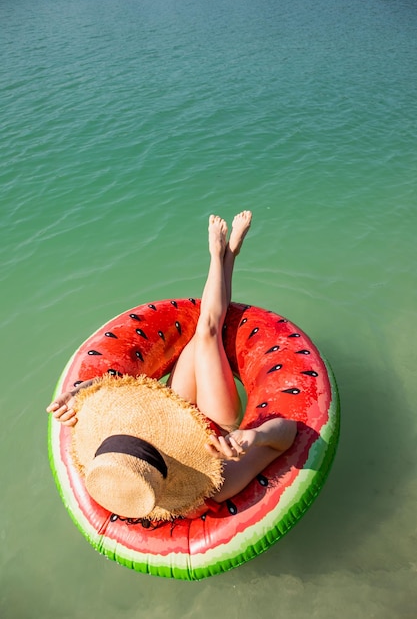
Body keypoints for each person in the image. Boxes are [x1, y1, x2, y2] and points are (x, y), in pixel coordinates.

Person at [46, 211, 296, 509]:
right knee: (207, 331)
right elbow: (287, 434)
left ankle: (226, 255)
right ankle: (223, 255)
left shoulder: (114, 465)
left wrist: (80, 392)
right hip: (213, 426)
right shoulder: (217, 485)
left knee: (204, 333)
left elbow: (119, 390)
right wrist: (252, 436)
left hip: (171, 408)